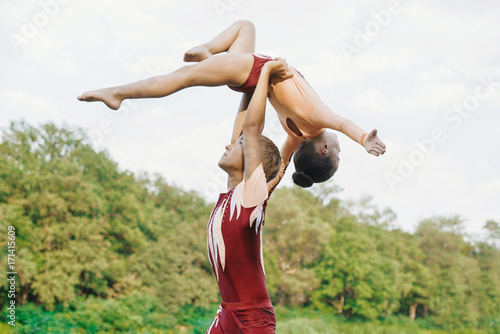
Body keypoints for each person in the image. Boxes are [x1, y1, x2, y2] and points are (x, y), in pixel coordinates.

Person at [78, 20, 386, 189]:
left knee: (185, 76)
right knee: (245, 28)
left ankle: (117, 93)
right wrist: (265, 194)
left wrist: (362, 139)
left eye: (338, 151)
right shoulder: (296, 137)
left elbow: (343, 123)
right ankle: (209, 51)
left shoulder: (317, 120)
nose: (337, 144)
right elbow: (278, 170)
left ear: (323, 149)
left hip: (254, 71)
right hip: (252, 81)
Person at [205, 59, 289, 333]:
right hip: (226, 312)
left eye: (240, 144)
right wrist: (247, 83)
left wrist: (264, 72)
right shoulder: (232, 192)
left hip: (253, 318)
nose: (230, 144)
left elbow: (251, 129)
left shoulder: (251, 196)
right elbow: (243, 127)